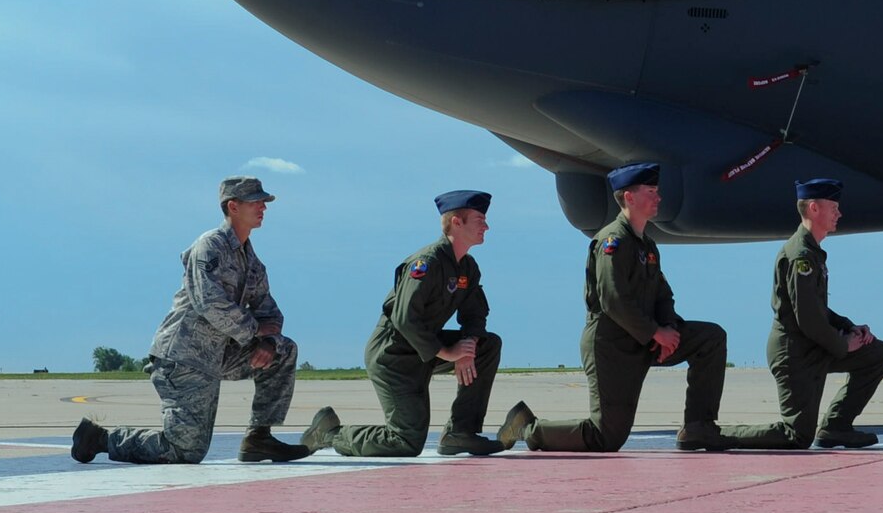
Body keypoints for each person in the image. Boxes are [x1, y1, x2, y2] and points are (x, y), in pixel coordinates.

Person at [521, 163, 791, 452]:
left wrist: (669, 331)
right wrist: (654, 333)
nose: (658, 198)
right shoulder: (612, 241)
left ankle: (698, 428)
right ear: (629, 198)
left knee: (710, 338)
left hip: (645, 339)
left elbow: (663, 295)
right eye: (651, 192)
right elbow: (613, 299)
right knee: (607, 437)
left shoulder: (647, 245)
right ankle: (530, 429)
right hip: (612, 346)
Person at [71, 177, 313, 465]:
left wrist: (269, 340)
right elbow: (209, 303)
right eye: (256, 201)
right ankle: (100, 439)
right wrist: (255, 330)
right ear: (233, 207)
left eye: (263, 202)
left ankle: (259, 438)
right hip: (183, 359)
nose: (263, 206)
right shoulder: (209, 247)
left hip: (218, 356)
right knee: (185, 452)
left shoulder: (252, 262)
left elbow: (270, 313)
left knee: (283, 350)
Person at [301, 190, 532, 457]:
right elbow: (404, 319)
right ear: (457, 222)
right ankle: (329, 433)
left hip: (422, 350)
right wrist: (448, 353)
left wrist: (467, 347)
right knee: (405, 442)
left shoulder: (467, 268)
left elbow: (475, 314)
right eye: (479, 220)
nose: (486, 226)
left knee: (486, 345)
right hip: (393, 356)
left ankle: (461, 433)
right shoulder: (425, 263)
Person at [766, 178, 883, 448]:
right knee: (796, 436)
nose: (840, 214)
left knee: (879, 353)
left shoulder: (812, 252)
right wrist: (842, 344)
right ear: (814, 208)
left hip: (813, 345)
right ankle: (714, 434)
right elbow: (808, 319)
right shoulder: (800, 255)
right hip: (796, 352)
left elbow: (816, 309)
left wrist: (848, 327)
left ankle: (837, 426)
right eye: (833, 207)